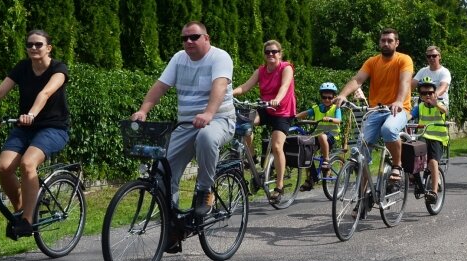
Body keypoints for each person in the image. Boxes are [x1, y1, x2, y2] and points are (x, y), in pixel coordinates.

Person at [0, 30, 69, 239]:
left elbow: (45, 93)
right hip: (25, 128)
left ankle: (28, 220)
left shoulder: (58, 68)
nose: (33, 48)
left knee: (28, 164)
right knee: (3, 168)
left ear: (49, 48)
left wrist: (31, 114)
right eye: (30, 45)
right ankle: (21, 209)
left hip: (53, 128)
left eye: (38, 44)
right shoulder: (22, 68)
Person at [132, 21, 235, 226]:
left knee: (206, 137)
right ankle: (172, 224)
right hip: (187, 124)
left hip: (219, 119)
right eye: (184, 38)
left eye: (194, 37)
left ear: (206, 38)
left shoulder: (220, 57)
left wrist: (208, 113)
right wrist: (143, 110)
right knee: (164, 171)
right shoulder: (179, 59)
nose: (188, 41)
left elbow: (220, 86)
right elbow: (160, 86)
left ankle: (204, 190)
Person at [333, 28, 413, 193]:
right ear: (379, 42)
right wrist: (342, 95)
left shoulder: (404, 60)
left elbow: (405, 82)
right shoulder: (372, 61)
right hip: (376, 110)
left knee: (389, 129)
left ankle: (397, 166)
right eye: (383, 40)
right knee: (360, 152)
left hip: (399, 109)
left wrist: (398, 100)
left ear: (396, 43)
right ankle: (362, 198)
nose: (386, 43)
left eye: (390, 40)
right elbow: (358, 79)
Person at [233, 39, 296, 203]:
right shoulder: (261, 71)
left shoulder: (286, 68)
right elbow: (245, 87)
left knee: (276, 146)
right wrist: (228, 93)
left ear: (280, 54)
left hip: (283, 111)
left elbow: (284, 86)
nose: (270, 54)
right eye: (267, 52)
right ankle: (252, 158)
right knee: (244, 122)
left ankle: (279, 186)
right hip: (266, 109)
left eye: (274, 51)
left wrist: (277, 99)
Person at [294, 82, 342, 191]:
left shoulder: (336, 108)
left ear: (334, 97)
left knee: (322, 136)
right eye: (324, 97)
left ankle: (326, 160)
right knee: (306, 152)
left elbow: (339, 120)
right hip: (318, 136)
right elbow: (305, 113)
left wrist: (330, 119)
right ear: (321, 97)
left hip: (331, 136)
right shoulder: (316, 108)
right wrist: (294, 117)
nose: (327, 100)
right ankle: (311, 178)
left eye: (329, 97)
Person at [408, 77, 448, 202]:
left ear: (435, 93)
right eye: (424, 93)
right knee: (411, 155)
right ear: (420, 95)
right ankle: (415, 179)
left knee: (432, 162)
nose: (427, 95)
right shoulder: (419, 107)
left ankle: (434, 192)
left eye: (430, 93)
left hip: (438, 138)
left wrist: (436, 104)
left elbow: (445, 111)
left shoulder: (439, 104)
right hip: (423, 137)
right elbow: (410, 116)